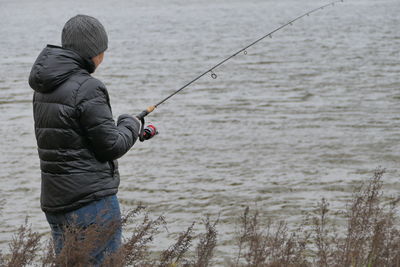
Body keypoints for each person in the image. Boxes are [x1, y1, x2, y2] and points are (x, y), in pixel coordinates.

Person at [28, 14, 155, 264]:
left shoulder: (43, 87)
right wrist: (130, 123)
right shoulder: (88, 87)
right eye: (102, 50)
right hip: (90, 204)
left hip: (56, 203)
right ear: (93, 52)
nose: (103, 57)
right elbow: (111, 146)